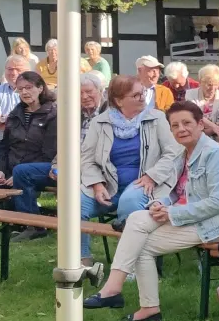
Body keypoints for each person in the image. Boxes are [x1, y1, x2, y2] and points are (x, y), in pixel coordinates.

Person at [82, 101, 219, 321]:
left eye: (187, 123)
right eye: (175, 125)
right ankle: (120, 292)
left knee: (140, 246)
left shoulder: (216, 155)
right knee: (138, 218)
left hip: (216, 224)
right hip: (187, 217)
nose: (181, 129)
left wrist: (171, 214)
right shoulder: (183, 153)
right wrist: (160, 204)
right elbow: (175, 192)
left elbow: (218, 203)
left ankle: (134, 301)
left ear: (201, 125)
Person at [77, 76, 179, 264]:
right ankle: (83, 259)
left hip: (150, 186)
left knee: (130, 201)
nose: (142, 98)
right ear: (118, 100)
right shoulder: (99, 123)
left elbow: (174, 153)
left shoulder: (156, 118)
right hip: (109, 187)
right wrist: (97, 185)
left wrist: (152, 176)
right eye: (136, 95)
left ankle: (129, 264)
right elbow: (87, 159)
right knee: (74, 205)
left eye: (143, 94)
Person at [0, 71, 58, 230]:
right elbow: (4, 146)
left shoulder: (52, 114)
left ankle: (34, 227)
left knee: (22, 175)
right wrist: (1, 170)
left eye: (29, 87)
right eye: (20, 89)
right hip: (15, 168)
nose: (24, 92)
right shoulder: (16, 114)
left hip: (47, 168)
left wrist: (18, 175)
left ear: (40, 88)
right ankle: (15, 222)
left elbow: (49, 153)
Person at [0, 54, 28, 140]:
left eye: (18, 69)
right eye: (10, 69)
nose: (13, 73)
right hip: (1, 139)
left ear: (27, 71)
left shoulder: (34, 91)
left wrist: (3, 119)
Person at [193, 65, 219, 131]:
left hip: (215, 136)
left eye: (216, 84)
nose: (212, 88)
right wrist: (214, 127)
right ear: (200, 82)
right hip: (195, 134)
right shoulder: (191, 94)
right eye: (209, 84)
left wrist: (211, 131)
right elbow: (194, 115)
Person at [77, 71, 103, 142]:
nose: (84, 97)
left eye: (89, 92)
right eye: (80, 93)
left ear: (100, 91)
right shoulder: (74, 114)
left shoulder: (109, 112)